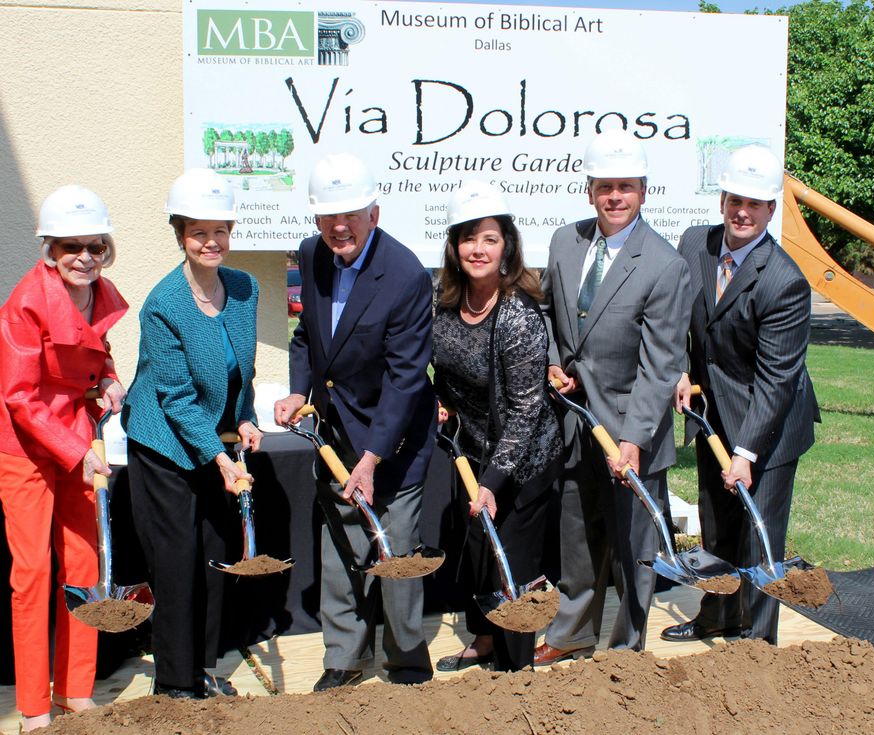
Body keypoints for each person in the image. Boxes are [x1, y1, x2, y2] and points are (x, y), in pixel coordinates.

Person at [274, 153, 435, 689]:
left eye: (350, 214)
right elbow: (305, 337)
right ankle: (344, 658)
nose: (338, 227)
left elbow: (406, 379)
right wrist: (299, 390)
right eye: (327, 216)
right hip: (337, 430)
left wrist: (371, 459)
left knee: (396, 549)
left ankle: (406, 658)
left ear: (375, 212)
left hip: (395, 436)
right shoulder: (307, 256)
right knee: (341, 544)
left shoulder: (407, 275)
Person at [534, 131, 693, 666]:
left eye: (625, 187)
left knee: (632, 550)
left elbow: (661, 364)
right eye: (605, 187)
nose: (615, 197)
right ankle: (571, 633)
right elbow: (554, 319)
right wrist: (556, 360)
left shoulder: (665, 266)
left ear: (643, 192)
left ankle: (626, 645)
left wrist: (633, 438)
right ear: (589, 191)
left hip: (632, 432)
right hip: (577, 424)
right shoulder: (564, 242)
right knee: (577, 540)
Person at [661, 145, 819, 645]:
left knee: (758, 533)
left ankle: (757, 641)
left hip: (768, 424)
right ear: (722, 198)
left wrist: (747, 452)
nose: (742, 211)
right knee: (717, 525)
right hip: (714, 412)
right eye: (734, 199)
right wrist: (680, 370)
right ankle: (718, 614)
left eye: (754, 203)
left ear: (772, 209)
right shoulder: (694, 244)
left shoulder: (784, 281)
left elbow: (776, 381)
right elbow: (676, 318)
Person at [122, 168, 262, 699]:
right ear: (180, 235)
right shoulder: (164, 304)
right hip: (164, 445)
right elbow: (176, 396)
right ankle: (175, 685)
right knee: (177, 561)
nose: (212, 242)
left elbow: (238, 372)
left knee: (213, 555)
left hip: (212, 440)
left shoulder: (244, 289)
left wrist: (244, 417)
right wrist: (220, 459)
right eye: (199, 232)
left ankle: (204, 667)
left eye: (220, 230)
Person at [0, 186, 127, 731]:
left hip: (76, 438)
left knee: (84, 566)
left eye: (94, 246)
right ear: (50, 249)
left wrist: (110, 379)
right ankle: (32, 704)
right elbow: (20, 397)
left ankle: (75, 689)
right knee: (32, 572)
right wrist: (78, 452)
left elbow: (95, 355)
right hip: (26, 448)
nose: (84, 256)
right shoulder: (25, 303)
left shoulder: (100, 293)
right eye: (71, 246)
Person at [431, 182, 563, 672]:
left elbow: (528, 411)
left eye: (488, 238)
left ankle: (514, 669)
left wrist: (493, 481)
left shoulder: (518, 316)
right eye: (468, 238)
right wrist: (440, 403)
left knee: (514, 565)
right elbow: (439, 373)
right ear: (454, 246)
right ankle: (484, 642)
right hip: (474, 447)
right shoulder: (444, 304)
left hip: (523, 459)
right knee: (480, 550)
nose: (478, 249)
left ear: (506, 244)